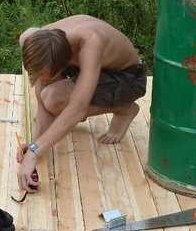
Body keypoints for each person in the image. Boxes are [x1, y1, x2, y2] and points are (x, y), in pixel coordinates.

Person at [16, 15, 146, 192]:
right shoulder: (34, 39)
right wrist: (34, 146)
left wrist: (34, 152)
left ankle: (124, 108)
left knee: (54, 98)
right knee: (47, 97)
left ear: (62, 65)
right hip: (96, 68)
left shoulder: (90, 42)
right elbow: (41, 104)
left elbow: (78, 109)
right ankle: (110, 102)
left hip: (128, 78)